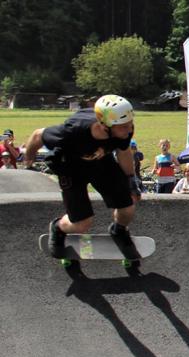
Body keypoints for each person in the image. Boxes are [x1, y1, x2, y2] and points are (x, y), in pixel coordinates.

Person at [24, 94, 142, 259]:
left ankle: (118, 230)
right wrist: (28, 161)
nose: (129, 129)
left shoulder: (123, 129)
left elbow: (123, 151)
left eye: (130, 124)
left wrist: (131, 180)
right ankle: (58, 228)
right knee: (81, 224)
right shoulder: (73, 130)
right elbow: (37, 135)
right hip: (71, 168)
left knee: (128, 208)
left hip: (101, 163)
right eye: (123, 126)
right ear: (104, 125)